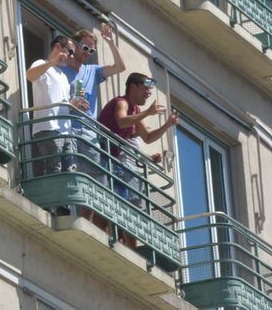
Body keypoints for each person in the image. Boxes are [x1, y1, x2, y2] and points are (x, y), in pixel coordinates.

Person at [97, 72, 179, 242]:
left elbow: (148, 137)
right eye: (146, 88)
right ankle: (101, 235)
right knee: (107, 202)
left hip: (115, 161)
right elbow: (122, 121)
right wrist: (147, 113)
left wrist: (167, 124)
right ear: (133, 87)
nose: (149, 93)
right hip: (105, 159)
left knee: (128, 207)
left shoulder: (135, 110)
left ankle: (122, 242)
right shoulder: (122, 103)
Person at [62, 24, 126, 186]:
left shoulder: (92, 70)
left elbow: (120, 67)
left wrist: (110, 42)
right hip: (68, 127)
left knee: (96, 179)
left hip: (89, 131)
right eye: (85, 47)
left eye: (92, 51)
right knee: (69, 172)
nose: (87, 53)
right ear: (74, 45)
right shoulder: (60, 70)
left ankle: (86, 211)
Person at [26, 36, 87, 201]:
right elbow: (30, 75)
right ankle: (48, 204)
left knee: (68, 171)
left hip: (64, 129)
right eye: (70, 51)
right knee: (54, 167)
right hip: (47, 127)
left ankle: (61, 206)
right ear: (58, 47)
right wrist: (52, 61)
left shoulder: (63, 77)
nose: (71, 56)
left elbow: (62, 103)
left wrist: (75, 103)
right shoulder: (41, 64)